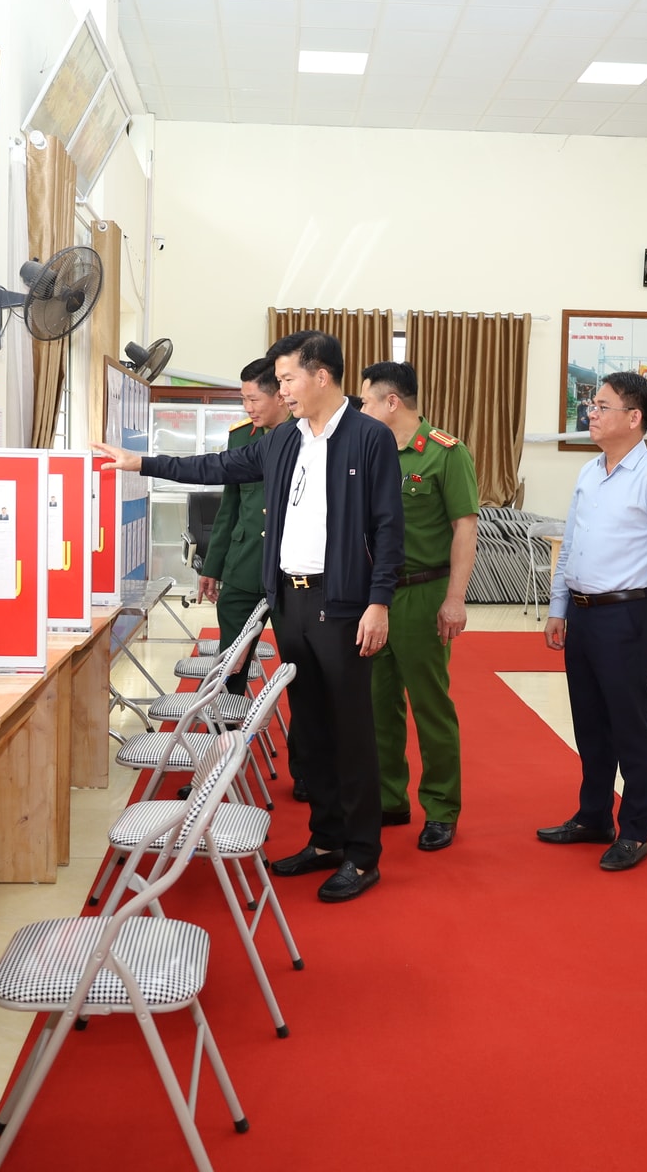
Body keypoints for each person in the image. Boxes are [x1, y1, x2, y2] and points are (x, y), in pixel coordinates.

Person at [94, 330, 403, 903]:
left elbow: (388, 526)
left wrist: (378, 602)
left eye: (287, 379)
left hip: (344, 605)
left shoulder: (369, 438)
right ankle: (326, 839)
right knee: (310, 726)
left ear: (321, 376)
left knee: (351, 730)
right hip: (291, 601)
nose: (281, 390)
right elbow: (216, 465)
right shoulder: (282, 439)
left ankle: (362, 856)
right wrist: (142, 462)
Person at [537, 372, 647, 872]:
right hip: (582, 613)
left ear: (634, 418)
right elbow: (571, 546)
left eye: (602, 406)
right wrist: (558, 607)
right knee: (589, 723)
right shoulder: (590, 472)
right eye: (593, 404)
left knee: (629, 726)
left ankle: (634, 831)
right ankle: (593, 817)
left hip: (627, 615)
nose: (591, 412)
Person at [358, 361, 479, 853]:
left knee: (430, 704)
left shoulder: (445, 453)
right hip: (377, 595)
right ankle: (390, 798)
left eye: (365, 401)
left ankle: (442, 808)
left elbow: (465, 528)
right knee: (378, 702)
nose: (360, 409)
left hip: (424, 593)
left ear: (392, 402)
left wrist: (455, 599)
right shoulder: (370, 450)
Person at [197, 358, 291, 705]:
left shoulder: (308, 435)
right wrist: (212, 566)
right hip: (244, 565)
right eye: (243, 399)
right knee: (231, 663)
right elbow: (230, 505)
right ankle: (225, 731)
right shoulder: (240, 436)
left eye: (253, 399)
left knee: (299, 665)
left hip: (290, 573)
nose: (247, 408)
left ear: (280, 395)